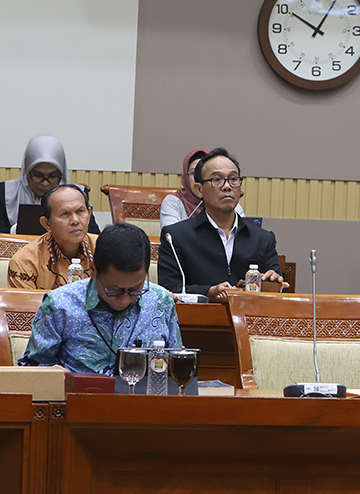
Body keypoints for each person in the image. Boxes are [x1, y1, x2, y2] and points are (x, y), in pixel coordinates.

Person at [19, 223, 181, 376]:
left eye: (135, 289)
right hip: (78, 400)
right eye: (114, 290)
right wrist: (49, 373)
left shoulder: (160, 301)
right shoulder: (60, 304)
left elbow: (176, 366)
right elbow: (29, 370)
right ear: (93, 270)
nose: (124, 299)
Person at [158, 147, 286, 300]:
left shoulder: (263, 239)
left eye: (233, 179)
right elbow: (170, 290)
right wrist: (208, 292)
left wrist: (273, 282)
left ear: (240, 189)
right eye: (217, 180)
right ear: (199, 190)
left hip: (247, 319)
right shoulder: (176, 237)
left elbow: (277, 293)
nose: (227, 186)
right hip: (199, 320)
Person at [1, 134, 99, 234]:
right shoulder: (6, 193)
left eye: (52, 176)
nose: (44, 183)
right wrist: (15, 230)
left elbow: (93, 236)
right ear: (26, 173)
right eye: (38, 176)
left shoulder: (77, 195)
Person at [7, 185, 99, 290]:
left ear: (89, 215)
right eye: (65, 214)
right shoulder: (25, 262)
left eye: (80, 211)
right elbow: (26, 305)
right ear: (47, 224)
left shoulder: (105, 249)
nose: (75, 220)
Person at [160, 147, 245, 229]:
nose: (198, 179)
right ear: (186, 176)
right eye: (194, 173)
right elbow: (172, 237)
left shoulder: (228, 202)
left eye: (233, 179)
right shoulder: (174, 202)